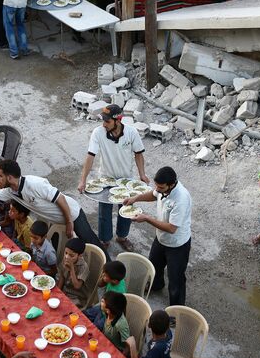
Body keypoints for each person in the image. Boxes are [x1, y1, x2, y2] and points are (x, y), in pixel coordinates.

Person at [0, 159, 107, 257]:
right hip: (54, 220)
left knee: (90, 241)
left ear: (9, 178)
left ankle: (112, 271)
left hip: (72, 213)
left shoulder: (35, 183)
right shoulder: (10, 191)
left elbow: (60, 198)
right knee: (58, 248)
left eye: (0, 176)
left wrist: (69, 222)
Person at [78, 104, 148, 251]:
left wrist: (142, 174)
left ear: (118, 120)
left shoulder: (131, 133)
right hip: (106, 178)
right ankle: (104, 240)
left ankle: (122, 237)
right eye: (103, 120)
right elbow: (90, 156)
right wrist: (83, 180)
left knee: (126, 209)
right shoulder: (98, 133)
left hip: (126, 179)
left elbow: (138, 154)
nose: (104, 124)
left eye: (107, 121)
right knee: (105, 212)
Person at [124, 166, 192, 306]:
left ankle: (176, 310)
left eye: (160, 187)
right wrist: (135, 198)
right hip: (161, 239)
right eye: (157, 186)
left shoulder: (181, 199)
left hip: (177, 244)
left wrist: (147, 218)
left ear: (171, 184)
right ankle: (156, 286)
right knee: (154, 266)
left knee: (176, 279)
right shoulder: (163, 189)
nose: (157, 189)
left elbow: (172, 228)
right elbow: (153, 194)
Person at [84, 260, 126, 329]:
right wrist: (104, 279)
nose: (103, 275)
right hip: (102, 304)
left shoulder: (118, 293)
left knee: (95, 327)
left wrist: (100, 314)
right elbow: (99, 284)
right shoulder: (114, 279)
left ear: (115, 281)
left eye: (105, 275)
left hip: (106, 313)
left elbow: (110, 311)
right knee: (84, 314)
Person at [57, 238, 90, 307]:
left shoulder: (83, 267)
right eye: (66, 253)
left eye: (71, 255)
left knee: (64, 308)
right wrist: (58, 292)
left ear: (80, 255)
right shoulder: (65, 259)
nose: (67, 257)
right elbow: (62, 277)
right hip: (65, 290)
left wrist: (71, 268)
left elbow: (77, 286)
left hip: (77, 296)